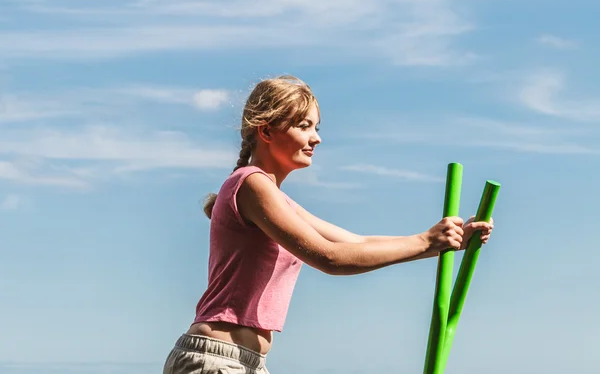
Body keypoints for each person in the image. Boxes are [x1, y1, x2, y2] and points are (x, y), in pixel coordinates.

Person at [163, 75, 494, 374]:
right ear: (266, 131)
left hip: (246, 363)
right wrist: (426, 242)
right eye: (304, 126)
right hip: (217, 362)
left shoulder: (275, 197)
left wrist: (447, 242)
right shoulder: (251, 184)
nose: (315, 138)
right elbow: (330, 258)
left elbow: (355, 243)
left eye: (317, 128)